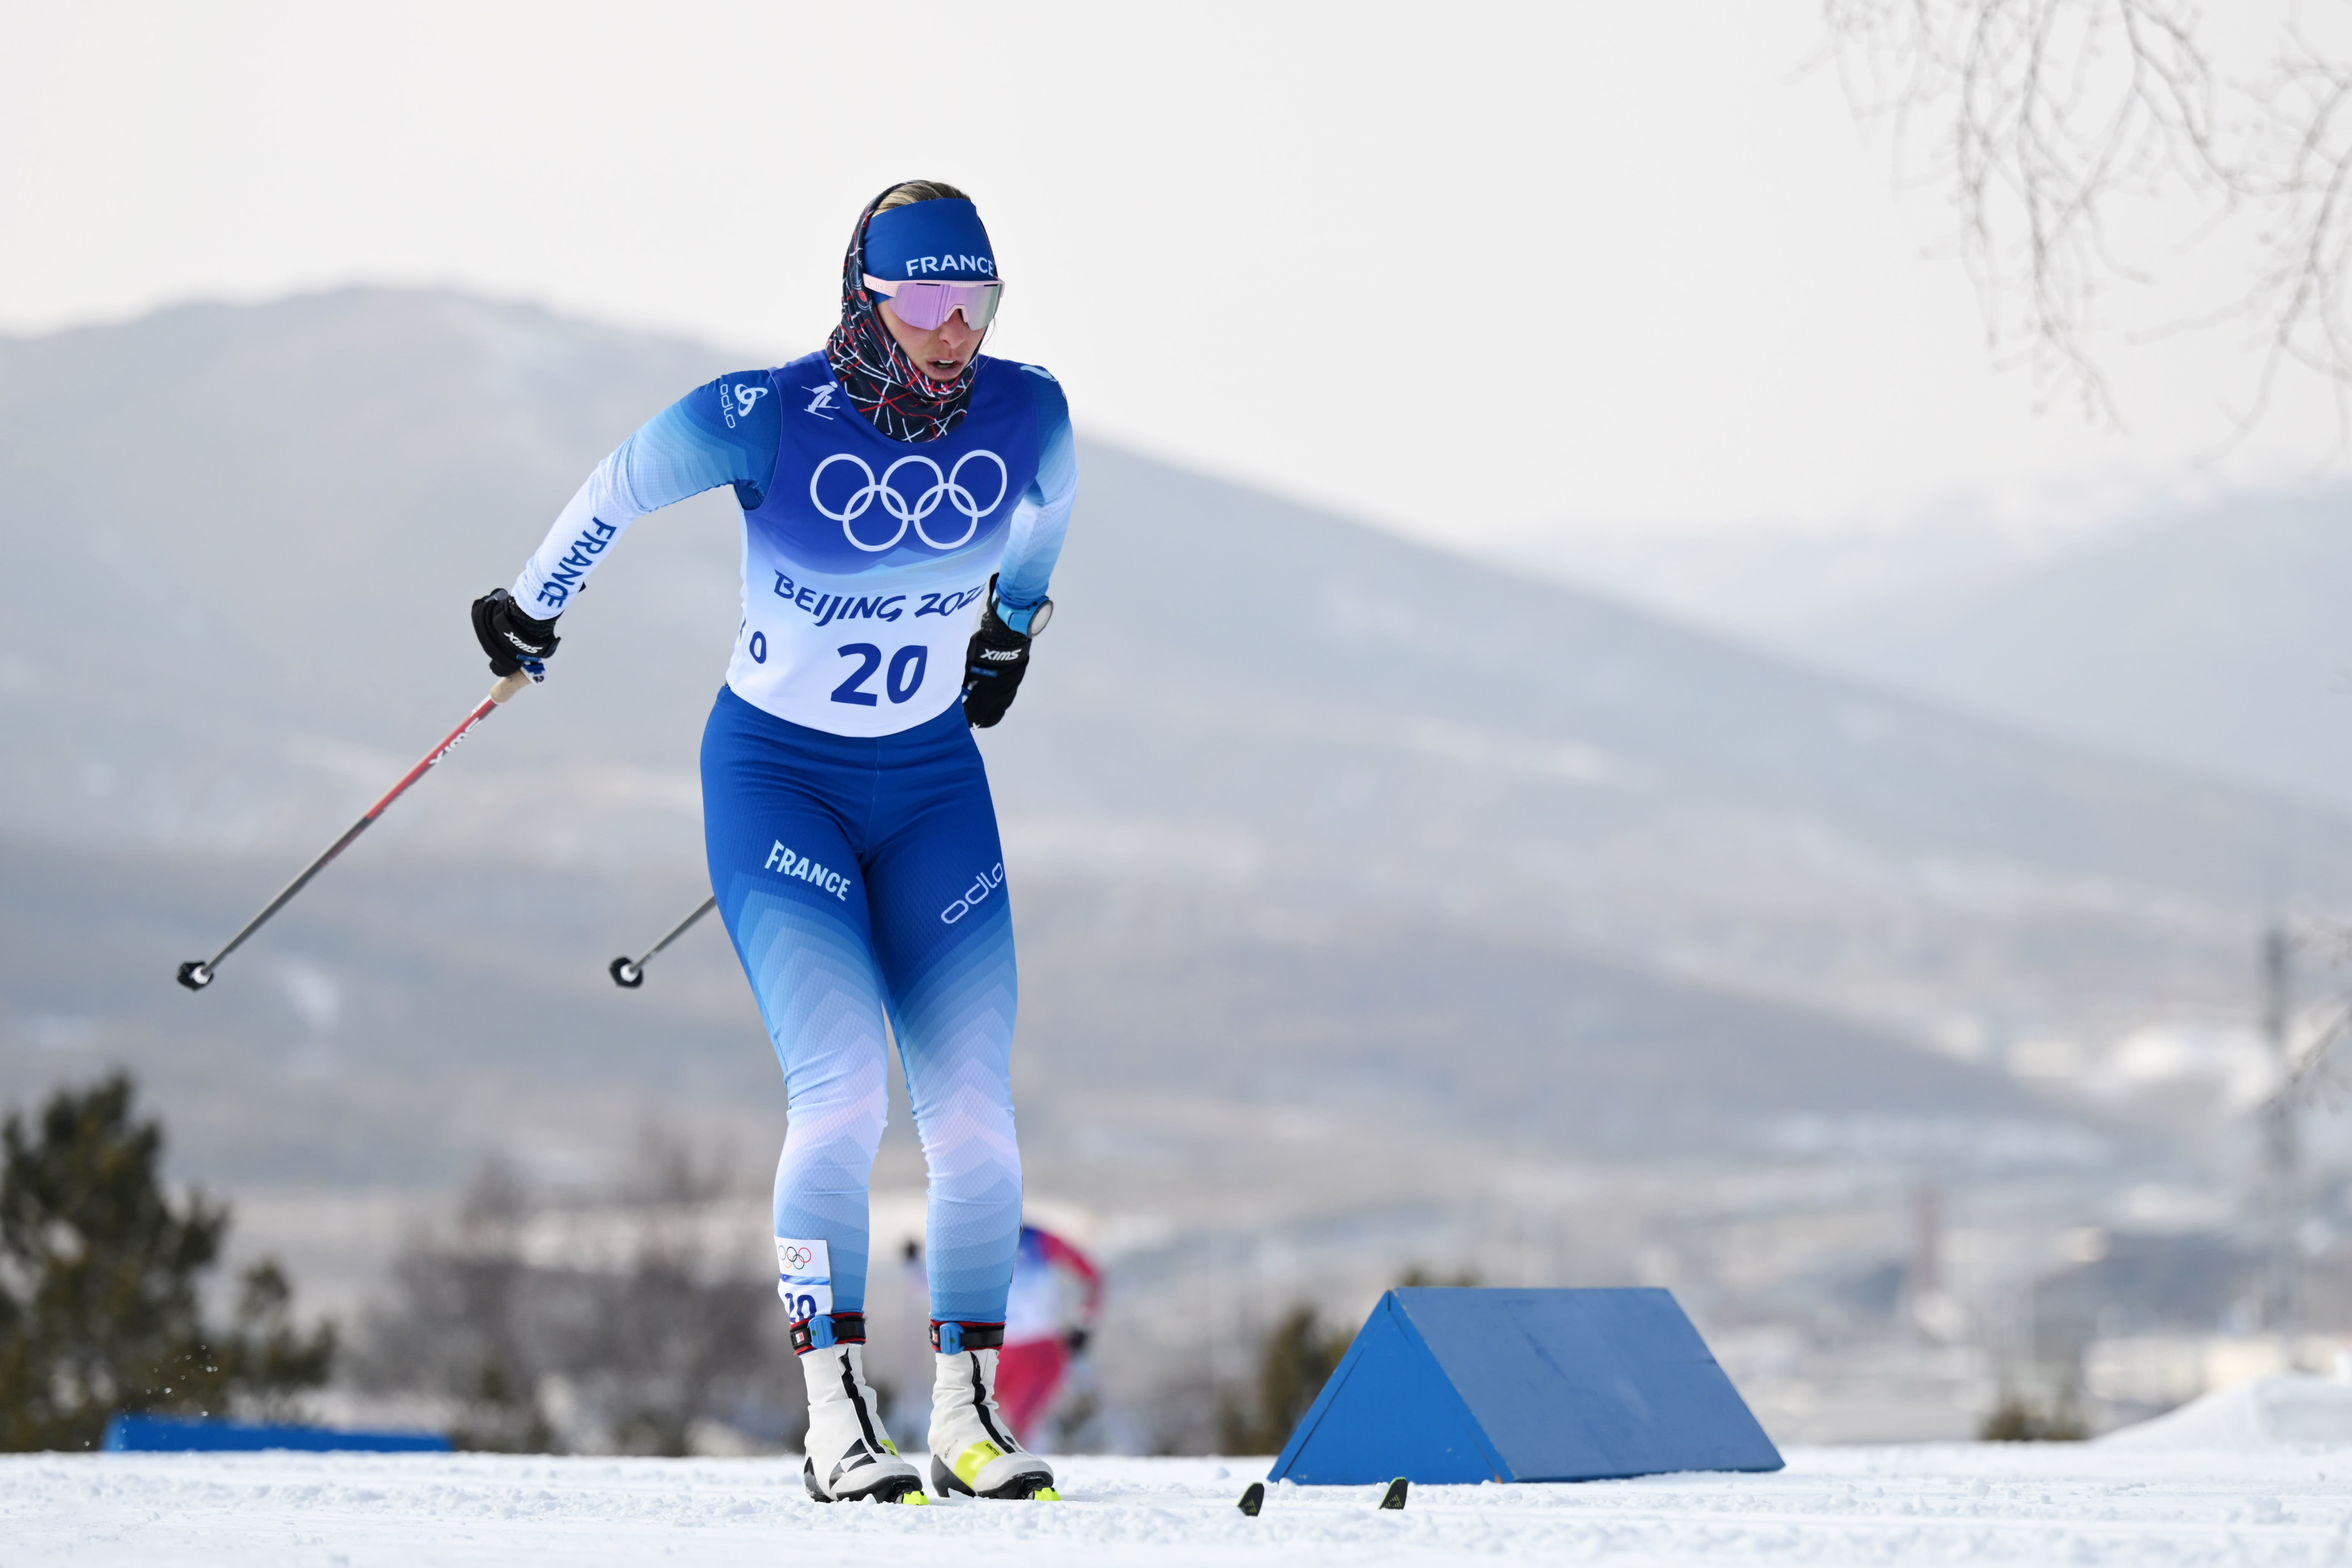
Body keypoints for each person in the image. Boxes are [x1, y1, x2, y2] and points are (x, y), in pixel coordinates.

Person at [473, 180, 1073, 1505]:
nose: (954, 329)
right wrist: (534, 605)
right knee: (846, 1087)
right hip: (776, 784)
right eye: (926, 300)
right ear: (867, 299)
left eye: (976, 302)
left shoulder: (1028, 410)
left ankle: (966, 1416)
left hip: (930, 789)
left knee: (975, 1116)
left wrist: (1014, 626)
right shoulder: (766, 415)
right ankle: (834, 1414)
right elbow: (617, 486)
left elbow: (1048, 507)